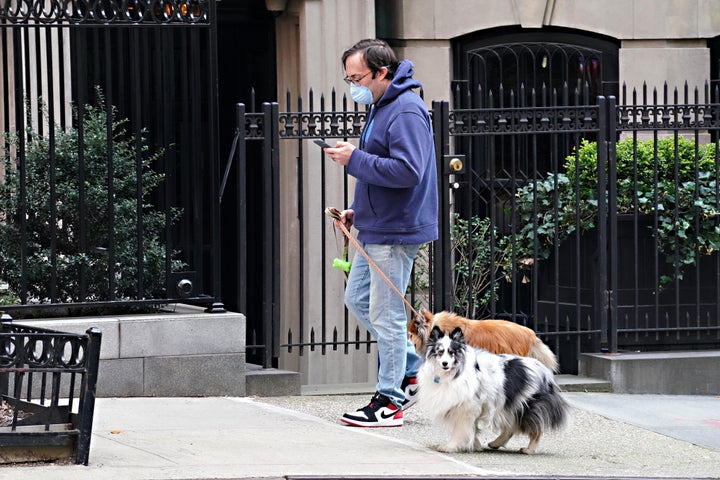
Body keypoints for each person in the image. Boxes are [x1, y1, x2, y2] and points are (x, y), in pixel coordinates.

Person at [323, 39, 438, 427]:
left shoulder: (405, 109)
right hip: (379, 224)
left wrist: (353, 158)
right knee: (358, 300)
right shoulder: (383, 106)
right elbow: (386, 170)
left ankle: (389, 402)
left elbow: (408, 171)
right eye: (348, 77)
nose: (353, 84)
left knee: (387, 316)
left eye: (357, 77)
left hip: (396, 230)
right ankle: (409, 370)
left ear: (381, 72)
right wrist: (360, 211)